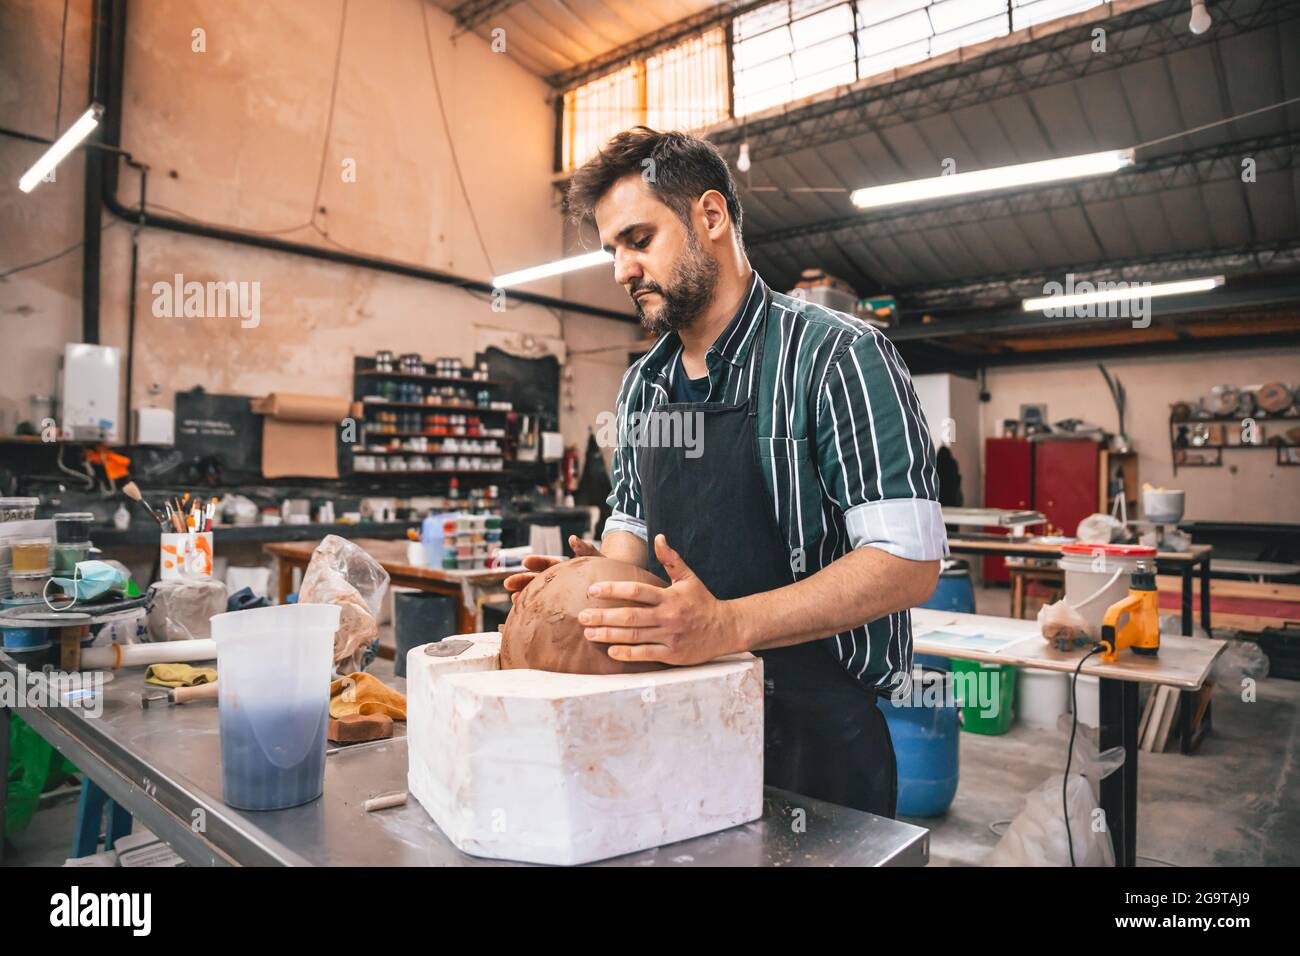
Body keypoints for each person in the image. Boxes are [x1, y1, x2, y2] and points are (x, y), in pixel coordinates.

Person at [504, 127, 946, 817]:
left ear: (710, 217)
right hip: (677, 726)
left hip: (819, 744)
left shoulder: (837, 358)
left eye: (638, 240)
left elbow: (908, 560)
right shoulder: (642, 389)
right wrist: (587, 592)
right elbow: (630, 538)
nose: (621, 270)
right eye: (611, 251)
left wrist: (725, 626)